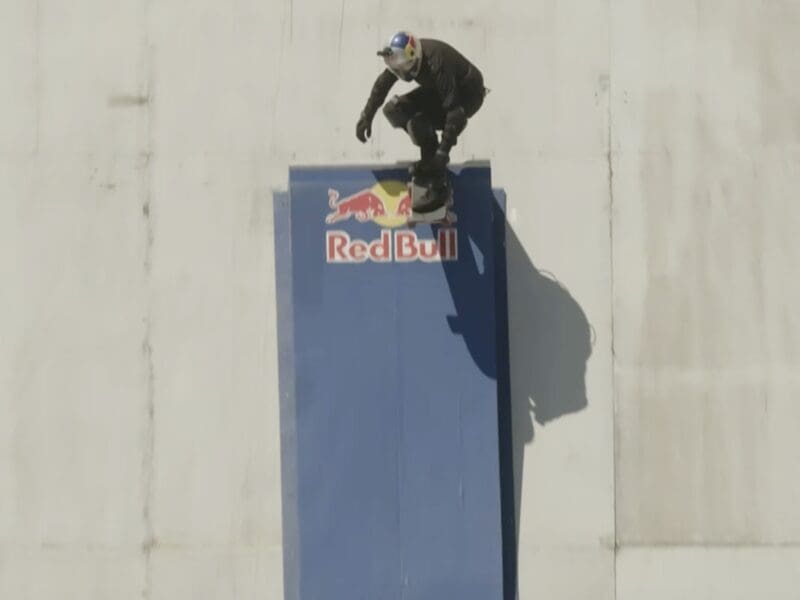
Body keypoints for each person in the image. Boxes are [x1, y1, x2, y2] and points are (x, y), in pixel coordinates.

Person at [356, 31, 487, 211]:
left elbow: (454, 111)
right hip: (438, 92)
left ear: (415, 57)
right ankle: (429, 156)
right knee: (395, 109)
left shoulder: (436, 63)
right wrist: (367, 115)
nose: (403, 73)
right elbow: (383, 84)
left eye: (405, 69)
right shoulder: (405, 56)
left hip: (467, 97)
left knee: (420, 122)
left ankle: (439, 185)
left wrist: (443, 152)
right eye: (398, 70)